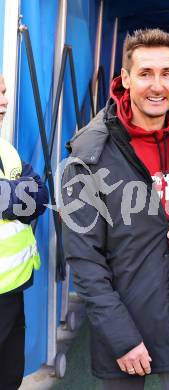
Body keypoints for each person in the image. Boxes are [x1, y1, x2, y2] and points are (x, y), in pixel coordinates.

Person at [62, 28, 169, 390]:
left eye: (166, 73)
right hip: (127, 328)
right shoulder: (89, 155)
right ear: (126, 79)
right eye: (146, 73)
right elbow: (84, 259)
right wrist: (120, 336)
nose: (157, 85)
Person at [0, 74, 49, 390]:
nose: (4, 101)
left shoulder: (6, 150)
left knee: (8, 375)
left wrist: (10, 194)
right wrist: (17, 192)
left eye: (3, 92)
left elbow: (41, 196)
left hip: (12, 288)